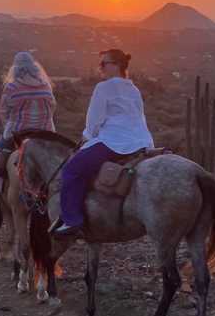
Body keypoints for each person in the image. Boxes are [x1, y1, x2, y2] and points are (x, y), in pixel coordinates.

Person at [52, 49, 154, 237]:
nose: (100, 68)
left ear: (116, 65)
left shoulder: (104, 87)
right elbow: (141, 117)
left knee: (72, 170)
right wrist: (148, 144)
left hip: (114, 142)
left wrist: (87, 137)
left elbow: (94, 120)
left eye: (103, 63)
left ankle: (71, 220)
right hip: (140, 141)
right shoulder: (133, 88)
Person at [0, 52, 56, 213]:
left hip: (20, 133)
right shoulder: (45, 85)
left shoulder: (12, 86)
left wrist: (9, 127)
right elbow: (52, 108)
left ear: (16, 67)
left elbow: (4, 111)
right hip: (45, 134)